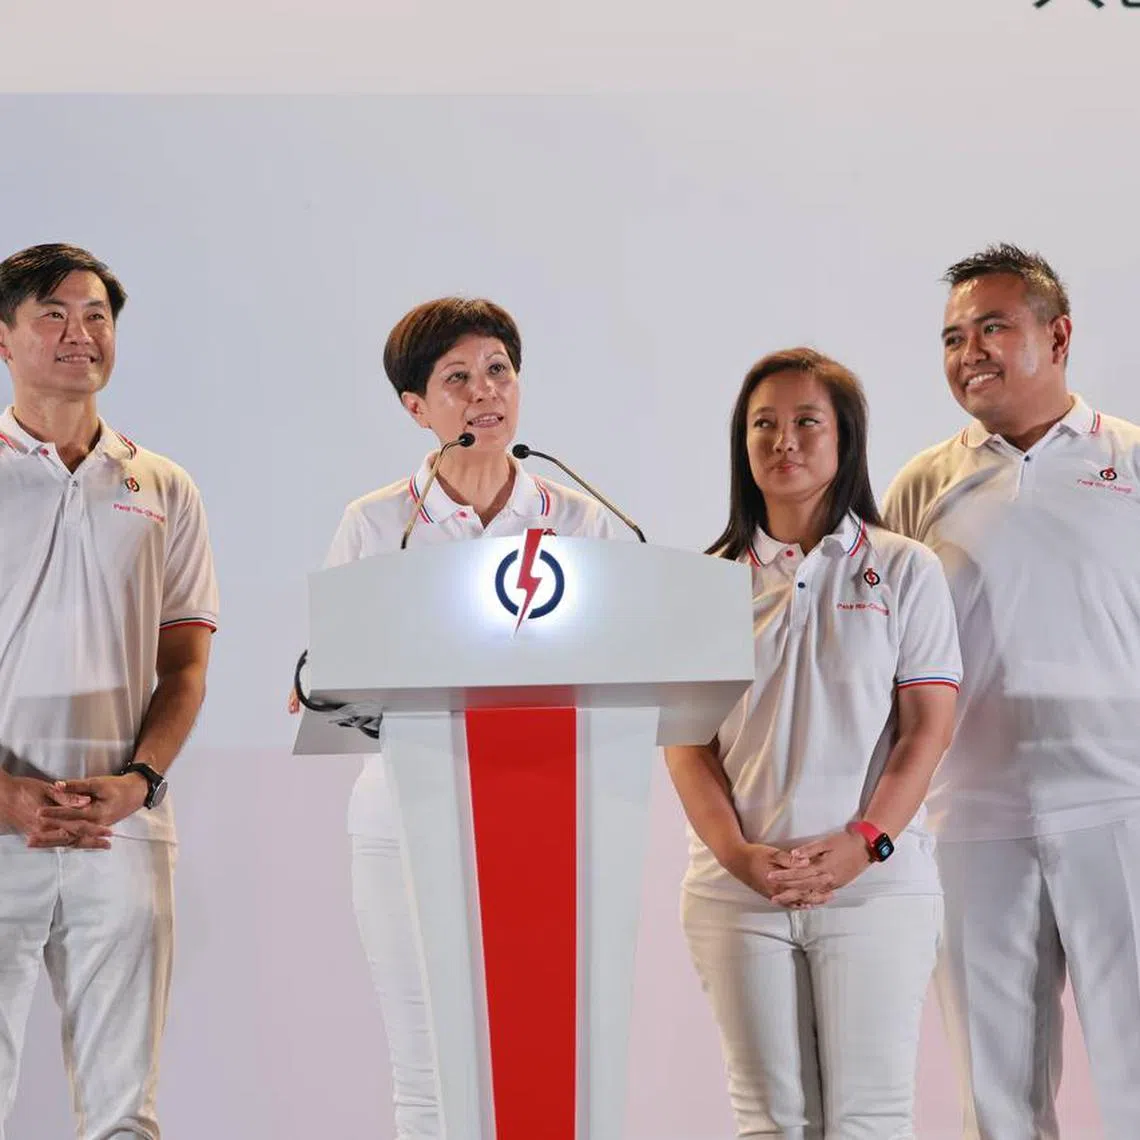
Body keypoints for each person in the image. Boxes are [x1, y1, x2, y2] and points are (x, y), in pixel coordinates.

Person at [293, 296, 617, 1139]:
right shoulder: (377, 523)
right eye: (458, 378)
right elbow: (327, 671)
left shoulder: (578, 518)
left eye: (500, 371)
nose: (486, 394)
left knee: (537, 1050)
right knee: (427, 1056)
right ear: (416, 407)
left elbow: (626, 650)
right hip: (403, 809)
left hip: (545, 809)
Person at [667, 348, 960, 1138]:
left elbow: (926, 728)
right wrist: (739, 856)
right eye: (764, 423)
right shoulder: (708, 582)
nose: (783, 440)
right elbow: (687, 746)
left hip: (874, 889)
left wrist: (866, 843)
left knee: (867, 1118)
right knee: (771, 1120)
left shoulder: (904, 569)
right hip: (739, 893)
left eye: (806, 422)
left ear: (844, 440)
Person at [883, 244, 1140, 1139]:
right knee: (998, 1097)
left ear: (1059, 334)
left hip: (1119, 806)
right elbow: (888, 655)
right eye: (953, 337)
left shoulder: (1131, 462)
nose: (969, 353)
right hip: (970, 817)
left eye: (993, 327)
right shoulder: (921, 483)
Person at [0, 243, 218, 1140]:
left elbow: (187, 665)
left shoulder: (162, 485)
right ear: (4, 338)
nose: (78, 333)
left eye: (96, 315)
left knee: (125, 1113)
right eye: (52, 312)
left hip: (120, 829)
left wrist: (139, 782)